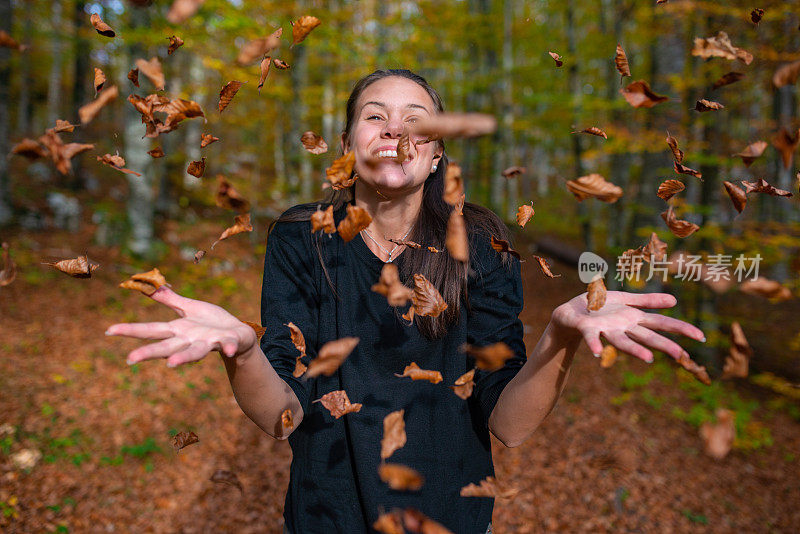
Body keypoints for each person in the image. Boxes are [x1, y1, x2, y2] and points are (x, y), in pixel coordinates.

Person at [106, 69, 705, 534]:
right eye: (376, 116)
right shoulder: (300, 237)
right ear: (347, 145)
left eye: (416, 118)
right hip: (326, 517)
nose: (395, 129)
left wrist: (561, 335)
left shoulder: (484, 246)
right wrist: (239, 350)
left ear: (438, 150)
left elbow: (510, 426)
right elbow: (282, 416)